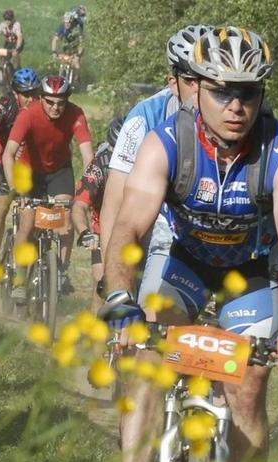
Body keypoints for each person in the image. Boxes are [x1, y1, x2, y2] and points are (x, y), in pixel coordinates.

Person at [99, 26, 278, 462]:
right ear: (197, 90)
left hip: (248, 273)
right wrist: (119, 296)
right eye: (223, 91)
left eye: (250, 93)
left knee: (249, 385)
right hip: (182, 263)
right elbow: (128, 227)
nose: (237, 106)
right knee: (151, 353)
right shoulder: (167, 141)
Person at [100, 25, 208, 321]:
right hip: (150, 221)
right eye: (191, 79)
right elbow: (114, 202)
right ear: (173, 82)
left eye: (209, 78)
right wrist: (110, 276)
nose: (201, 89)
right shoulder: (144, 118)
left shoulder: (234, 114)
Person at [2, 74, 93, 298]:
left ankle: (61, 269)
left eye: (61, 102)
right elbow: (8, 154)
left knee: (66, 218)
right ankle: (20, 279)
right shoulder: (28, 114)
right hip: (29, 172)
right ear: (40, 98)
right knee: (28, 221)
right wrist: (16, 189)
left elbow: (88, 156)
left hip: (59, 171)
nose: (56, 107)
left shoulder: (76, 114)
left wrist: (88, 188)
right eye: (50, 102)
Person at [0, 67, 39, 266]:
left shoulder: (40, 105)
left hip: (30, 162)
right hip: (3, 159)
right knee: (3, 205)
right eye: (25, 94)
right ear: (15, 93)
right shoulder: (3, 105)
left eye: (34, 93)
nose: (31, 99)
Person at [71, 117, 123, 307]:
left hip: (134, 230)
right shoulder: (99, 166)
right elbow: (79, 206)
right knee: (102, 287)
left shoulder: (143, 162)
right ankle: (97, 335)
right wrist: (85, 233)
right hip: (102, 232)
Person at [50, 11, 83, 85]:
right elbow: (55, 39)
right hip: (66, 47)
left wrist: (78, 54)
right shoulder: (62, 27)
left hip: (76, 48)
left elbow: (81, 43)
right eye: (65, 23)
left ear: (72, 22)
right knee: (59, 61)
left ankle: (77, 79)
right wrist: (54, 52)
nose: (66, 24)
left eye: (68, 23)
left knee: (76, 65)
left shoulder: (77, 29)